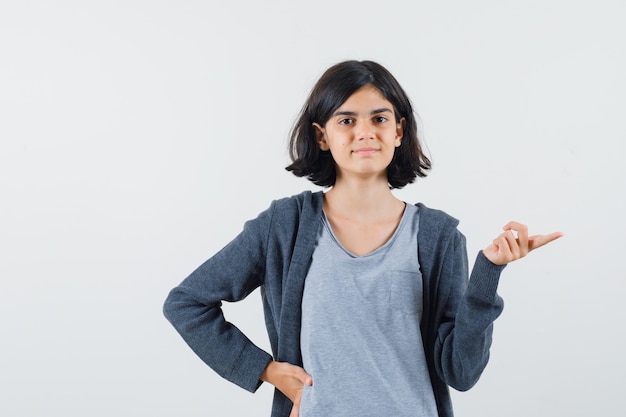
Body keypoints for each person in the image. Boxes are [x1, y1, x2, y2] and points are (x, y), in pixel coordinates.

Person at [163, 60, 562, 417]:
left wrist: (488, 275)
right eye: (347, 120)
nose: (365, 133)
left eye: (379, 119)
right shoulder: (284, 226)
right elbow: (187, 303)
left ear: (399, 131)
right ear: (322, 136)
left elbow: (461, 372)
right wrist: (266, 370)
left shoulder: (438, 236)